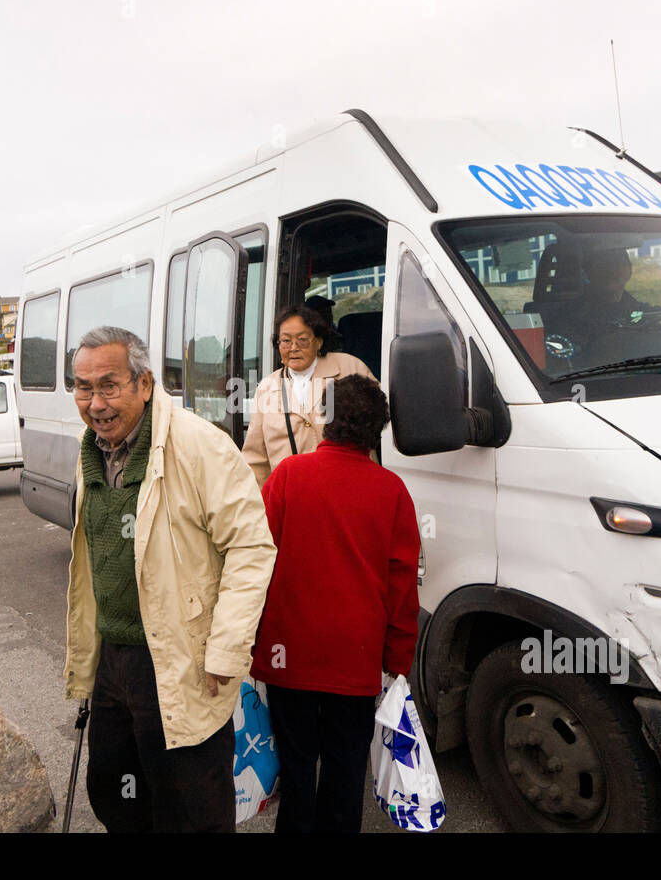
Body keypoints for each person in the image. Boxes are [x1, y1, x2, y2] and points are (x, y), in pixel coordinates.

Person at [63, 326, 276, 833]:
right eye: (83, 387)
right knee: (118, 794)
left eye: (109, 386)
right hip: (114, 659)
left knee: (190, 803)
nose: (96, 403)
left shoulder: (200, 446)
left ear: (144, 383)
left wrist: (227, 649)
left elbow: (250, 547)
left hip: (180, 655)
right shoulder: (91, 448)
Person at [250, 374, 420, 833]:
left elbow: (254, 563)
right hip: (356, 660)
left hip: (289, 655)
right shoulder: (393, 492)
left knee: (297, 763)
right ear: (377, 431)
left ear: (325, 420)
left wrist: (248, 642)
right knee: (346, 769)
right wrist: (398, 659)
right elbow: (402, 588)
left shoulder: (288, 475)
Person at [241, 304, 374, 488]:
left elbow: (379, 422)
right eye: (285, 341)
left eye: (302, 340)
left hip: (350, 489)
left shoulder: (350, 368)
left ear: (318, 341)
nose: (293, 348)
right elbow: (256, 459)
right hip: (295, 497)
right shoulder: (267, 387)